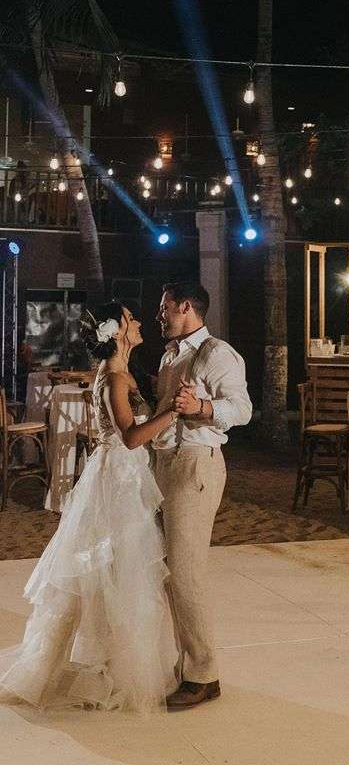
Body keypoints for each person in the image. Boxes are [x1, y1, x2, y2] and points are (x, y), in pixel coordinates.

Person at [0, 304, 179, 713]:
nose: (138, 323)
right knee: (114, 571)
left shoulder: (123, 373)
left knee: (116, 571)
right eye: (132, 320)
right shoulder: (115, 378)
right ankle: (102, 674)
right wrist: (172, 412)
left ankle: (109, 666)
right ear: (116, 334)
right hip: (116, 479)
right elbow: (132, 437)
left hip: (124, 475)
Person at [154, 283, 252, 710]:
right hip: (165, 465)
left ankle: (203, 674)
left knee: (187, 571)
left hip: (196, 464)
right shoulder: (170, 354)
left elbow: (243, 409)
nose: (159, 314)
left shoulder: (217, 353)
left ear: (186, 307)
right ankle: (185, 665)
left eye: (165, 307)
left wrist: (205, 409)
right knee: (168, 571)